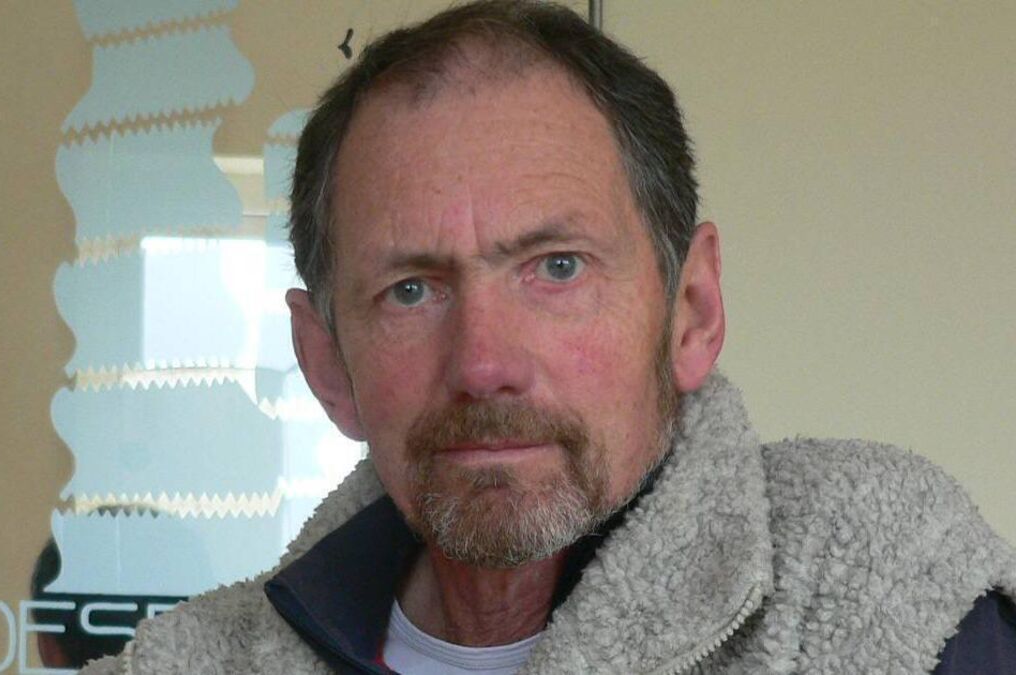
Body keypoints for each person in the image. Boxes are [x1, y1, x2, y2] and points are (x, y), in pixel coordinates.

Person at [83, 2, 1016, 672]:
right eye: (411, 290)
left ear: (692, 310)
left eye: (557, 267)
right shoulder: (192, 657)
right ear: (327, 363)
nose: (484, 363)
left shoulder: (878, 590)